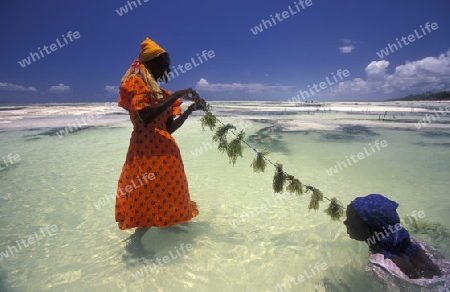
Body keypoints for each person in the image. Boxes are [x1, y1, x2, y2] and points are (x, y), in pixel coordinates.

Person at [115, 37, 205, 242]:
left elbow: (169, 128)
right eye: (165, 65)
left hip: (167, 156)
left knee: (168, 195)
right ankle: (137, 241)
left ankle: (167, 227)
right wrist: (176, 96)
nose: (169, 70)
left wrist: (191, 109)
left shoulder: (158, 93)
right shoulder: (135, 84)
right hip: (145, 154)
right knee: (146, 196)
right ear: (151, 63)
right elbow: (145, 117)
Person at [344, 194, 449, 291]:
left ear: (370, 229)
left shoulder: (376, 265)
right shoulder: (412, 241)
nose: (345, 222)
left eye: (350, 220)